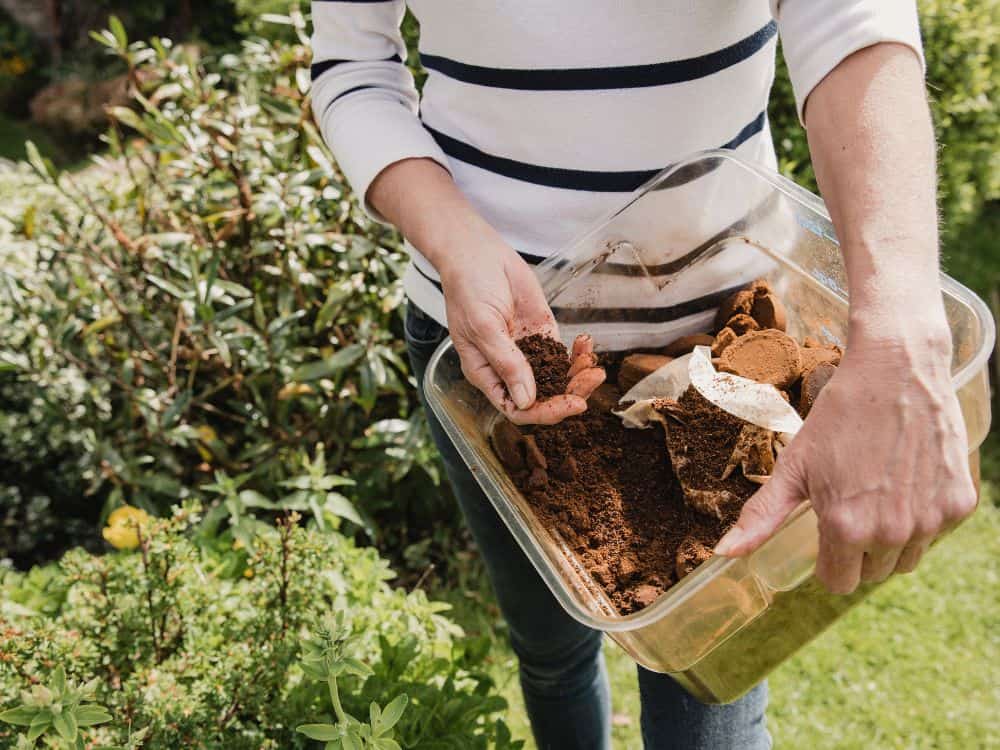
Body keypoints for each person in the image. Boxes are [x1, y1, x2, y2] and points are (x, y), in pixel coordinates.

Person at [310, 2, 978, 747]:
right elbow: (352, 64)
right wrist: (455, 239)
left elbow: (852, 20)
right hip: (495, 355)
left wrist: (899, 341)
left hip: (729, 354)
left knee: (710, 701)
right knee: (552, 651)